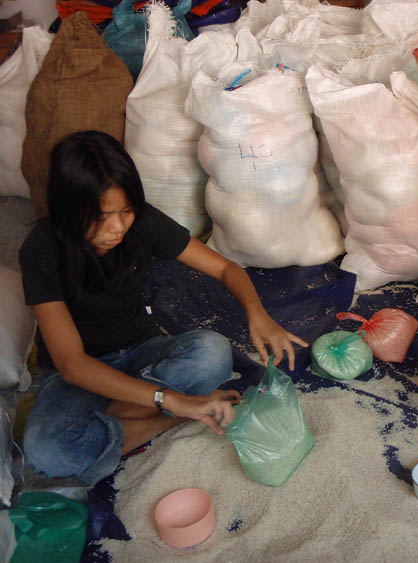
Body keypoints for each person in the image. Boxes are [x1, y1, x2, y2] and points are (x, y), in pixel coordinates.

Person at [19, 130, 308, 486]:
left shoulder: (141, 224)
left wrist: (257, 314)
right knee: (45, 453)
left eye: (125, 211)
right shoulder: (41, 251)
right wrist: (172, 402)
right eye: (100, 216)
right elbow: (72, 364)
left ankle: (124, 421)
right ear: (68, 210)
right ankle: (178, 414)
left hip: (141, 352)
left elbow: (224, 268)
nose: (117, 227)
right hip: (78, 377)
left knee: (213, 351)